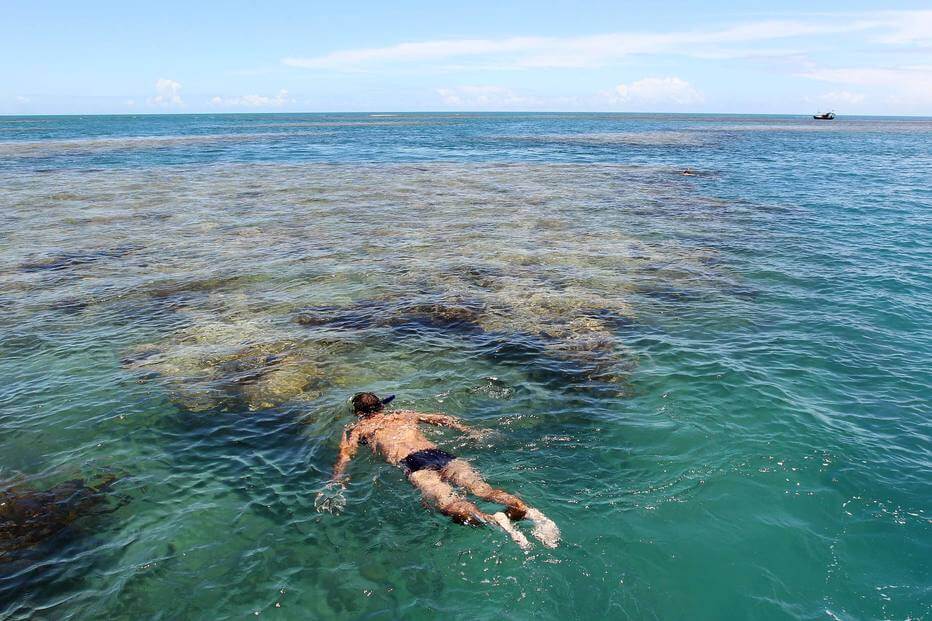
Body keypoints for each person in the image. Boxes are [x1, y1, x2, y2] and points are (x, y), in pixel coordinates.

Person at [316, 392, 560, 549]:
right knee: (483, 490)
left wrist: (335, 480)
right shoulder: (405, 414)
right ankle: (529, 512)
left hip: (411, 463)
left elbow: (346, 455)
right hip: (439, 454)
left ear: (358, 413)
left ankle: (493, 521)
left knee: (448, 504)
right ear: (382, 405)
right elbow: (443, 419)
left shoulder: (357, 429)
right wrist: (469, 432)